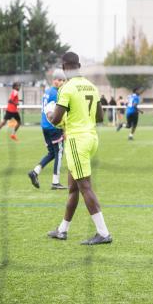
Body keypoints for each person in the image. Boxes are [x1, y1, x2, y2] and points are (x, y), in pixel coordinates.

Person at [46, 51, 112, 245]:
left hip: (77, 141)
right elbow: (100, 117)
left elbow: (56, 119)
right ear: (79, 65)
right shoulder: (91, 86)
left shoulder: (67, 88)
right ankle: (62, 230)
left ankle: (103, 233)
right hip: (91, 138)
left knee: (85, 187)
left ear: (64, 67)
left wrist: (49, 114)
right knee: (73, 188)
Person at [27, 69, 67, 190]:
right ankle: (55, 182)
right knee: (59, 153)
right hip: (53, 127)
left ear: (63, 81)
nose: (58, 82)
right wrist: (64, 129)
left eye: (60, 80)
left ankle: (35, 172)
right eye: (56, 79)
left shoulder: (47, 91)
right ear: (53, 80)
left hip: (44, 126)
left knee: (51, 153)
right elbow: (58, 112)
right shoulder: (57, 93)